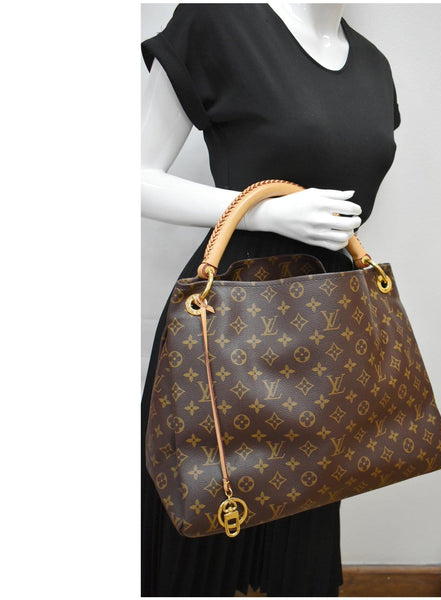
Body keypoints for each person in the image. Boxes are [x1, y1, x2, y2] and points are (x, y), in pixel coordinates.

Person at [141, 3, 400, 596]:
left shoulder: (375, 66)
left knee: (304, 517)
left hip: (328, 324)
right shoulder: (217, 20)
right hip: (228, 317)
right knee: (204, 503)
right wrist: (263, 211)